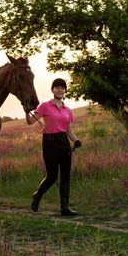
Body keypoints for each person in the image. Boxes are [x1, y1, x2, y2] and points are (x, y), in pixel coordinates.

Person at [26, 78, 82, 216]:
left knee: (65, 175)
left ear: (65, 91)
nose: (59, 90)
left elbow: (68, 130)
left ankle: (65, 208)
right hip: (49, 142)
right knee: (52, 176)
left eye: (62, 88)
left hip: (63, 142)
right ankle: (37, 196)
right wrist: (27, 111)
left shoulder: (67, 110)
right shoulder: (45, 106)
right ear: (52, 90)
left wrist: (76, 140)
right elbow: (30, 121)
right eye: (57, 87)